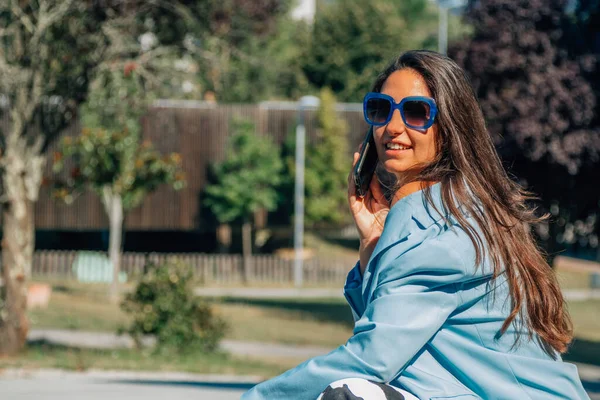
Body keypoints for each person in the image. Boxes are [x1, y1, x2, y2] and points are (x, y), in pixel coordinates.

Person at [241, 50, 590, 400]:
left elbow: (369, 361)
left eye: (416, 112)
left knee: (352, 394)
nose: (393, 127)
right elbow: (391, 333)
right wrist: (372, 248)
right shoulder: (457, 211)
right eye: (380, 109)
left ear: (451, 128)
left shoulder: (443, 236)